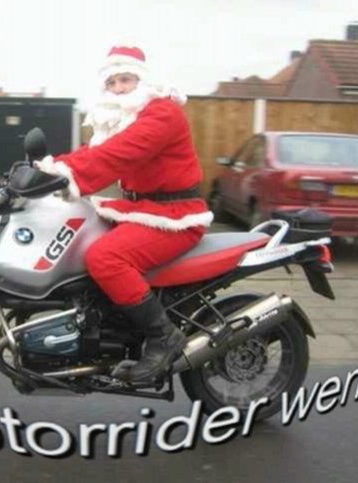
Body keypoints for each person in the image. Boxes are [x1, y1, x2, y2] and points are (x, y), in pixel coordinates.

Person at [35, 46, 213, 382]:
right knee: (75, 235)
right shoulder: (125, 118)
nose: (118, 88)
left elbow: (118, 154)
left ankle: (164, 336)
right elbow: (95, 152)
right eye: (112, 82)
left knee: (104, 257)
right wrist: (47, 168)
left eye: (126, 79)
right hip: (140, 209)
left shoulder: (162, 113)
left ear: (142, 80)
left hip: (174, 216)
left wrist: (64, 174)